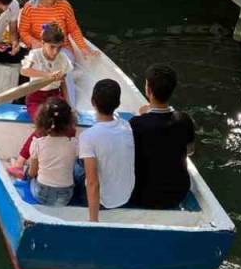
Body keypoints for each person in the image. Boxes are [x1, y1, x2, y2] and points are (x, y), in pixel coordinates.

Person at [6, 24, 75, 179]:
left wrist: (68, 104)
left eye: (59, 48)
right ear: (43, 43)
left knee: (69, 126)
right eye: (52, 47)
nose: (55, 52)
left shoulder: (63, 59)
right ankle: (18, 164)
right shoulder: (34, 55)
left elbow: (63, 82)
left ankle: (64, 163)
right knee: (44, 126)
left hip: (55, 96)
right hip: (36, 97)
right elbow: (24, 70)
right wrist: (47, 75)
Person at [128, 64, 195, 209]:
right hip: (178, 192)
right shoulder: (184, 120)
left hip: (143, 195)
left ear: (148, 90)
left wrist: (143, 115)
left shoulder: (136, 124)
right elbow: (190, 151)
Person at [79, 79, 135, 222]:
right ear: (118, 104)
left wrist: (93, 220)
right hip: (126, 196)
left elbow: (92, 183)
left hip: (105, 203)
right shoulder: (126, 126)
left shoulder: (87, 136)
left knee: (75, 168)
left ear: (93, 102)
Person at [18, 0, 95, 60]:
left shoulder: (65, 6)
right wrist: (34, 42)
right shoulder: (29, 7)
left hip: (62, 48)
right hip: (39, 48)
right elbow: (23, 31)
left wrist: (83, 48)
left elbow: (73, 29)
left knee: (62, 64)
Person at [26, 96, 78, 206]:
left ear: (42, 120)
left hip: (42, 194)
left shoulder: (37, 143)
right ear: (69, 121)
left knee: (28, 173)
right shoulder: (75, 144)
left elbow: (33, 172)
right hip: (66, 196)